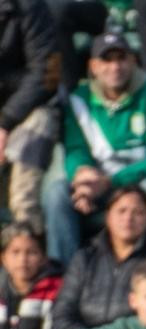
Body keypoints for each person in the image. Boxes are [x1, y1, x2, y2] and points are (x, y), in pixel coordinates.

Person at [44, 32, 146, 265]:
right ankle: (62, 276)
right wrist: (82, 175)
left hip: (139, 179)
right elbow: (75, 148)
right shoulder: (79, 100)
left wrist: (111, 181)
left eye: (121, 58)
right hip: (97, 182)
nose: (115, 67)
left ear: (133, 61)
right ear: (93, 66)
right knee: (57, 193)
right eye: (106, 60)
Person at [51, 185, 146, 329]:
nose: (128, 218)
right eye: (121, 211)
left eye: (137, 212)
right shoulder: (85, 258)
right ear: (108, 216)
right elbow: (62, 317)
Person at [0, 0, 60, 236]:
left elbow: (49, 73)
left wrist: (4, 122)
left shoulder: (30, 6)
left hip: (29, 108)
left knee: (38, 125)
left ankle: (27, 236)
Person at [0, 222, 63, 329]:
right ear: (4, 259)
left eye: (32, 253)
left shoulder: (57, 289)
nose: (23, 259)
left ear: (43, 258)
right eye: (15, 252)